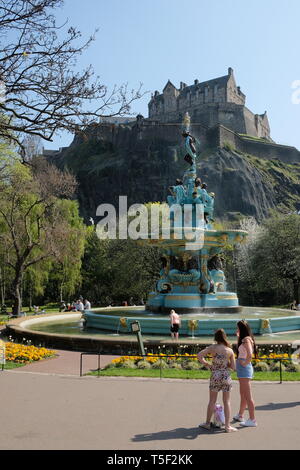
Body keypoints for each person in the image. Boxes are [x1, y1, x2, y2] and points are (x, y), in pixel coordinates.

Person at [197, 329, 237, 433]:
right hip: (226, 376)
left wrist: (207, 364)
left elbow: (199, 355)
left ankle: (207, 423)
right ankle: (227, 426)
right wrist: (225, 363)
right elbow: (233, 367)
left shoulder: (212, 348)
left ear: (216, 338)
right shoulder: (229, 350)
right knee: (227, 401)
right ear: (225, 337)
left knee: (212, 401)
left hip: (215, 375)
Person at [233, 320, 258, 427]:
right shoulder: (244, 338)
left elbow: (250, 354)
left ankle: (252, 419)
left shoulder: (246, 339)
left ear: (241, 328)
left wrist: (244, 363)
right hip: (242, 368)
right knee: (243, 394)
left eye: (238, 327)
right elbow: (243, 351)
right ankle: (240, 415)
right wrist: (238, 337)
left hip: (244, 368)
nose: (236, 329)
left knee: (248, 396)